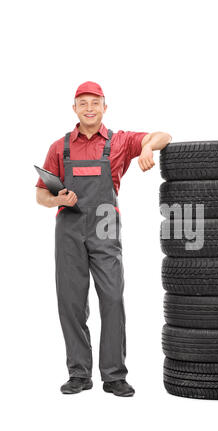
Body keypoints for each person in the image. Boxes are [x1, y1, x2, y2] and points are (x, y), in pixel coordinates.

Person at [36, 81, 172, 397]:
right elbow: (42, 193)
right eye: (82, 103)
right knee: (71, 303)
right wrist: (59, 200)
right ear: (74, 108)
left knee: (111, 298)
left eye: (94, 102)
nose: (89, 108)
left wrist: (149, 147)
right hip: (68, 229)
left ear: (104, 107)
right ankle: (79, 374)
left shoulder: (120, 141)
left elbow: (164, 136)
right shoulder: (60, 147)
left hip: (105, 227)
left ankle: (114, 376)